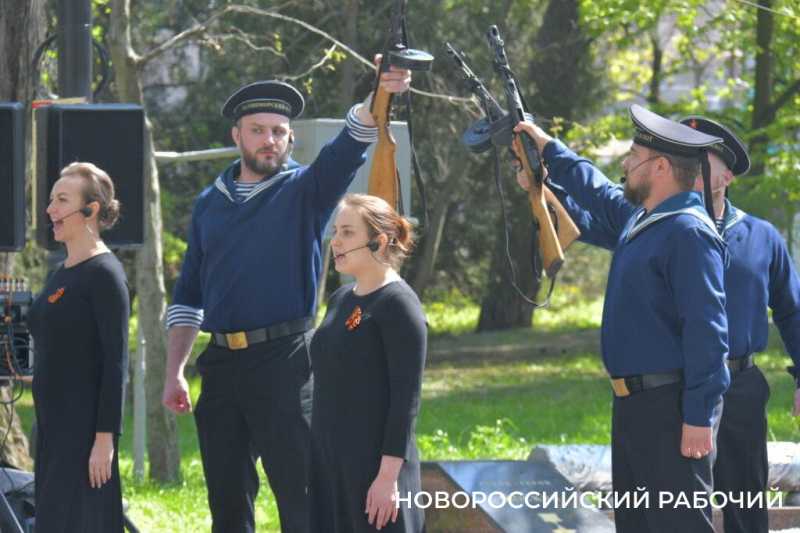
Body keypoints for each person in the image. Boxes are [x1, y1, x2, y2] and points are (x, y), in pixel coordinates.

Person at [162, 64, 412, 532]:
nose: (269, 140)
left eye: (278, 132)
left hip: (286, 364)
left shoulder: (305, 191)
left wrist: (377, 95)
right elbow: (188, 295)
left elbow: (347, 149)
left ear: (290, 139)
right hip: (220, 367)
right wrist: (175, 369)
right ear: (237, 135)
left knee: (302, 499)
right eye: (258, 130)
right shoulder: (209, 203)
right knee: (226, 504)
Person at [514, 105, 730, 531]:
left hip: (671, 409)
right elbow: (595, 196)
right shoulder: (645, 220)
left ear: (661, 167)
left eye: (634, 157)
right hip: (635, 406)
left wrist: (698, 415)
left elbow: (707, 332)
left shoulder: (688, 231)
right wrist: (544, 174)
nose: (627, 165)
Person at [681, 116, 800, 533]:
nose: (690, 168)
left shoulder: (761, 236)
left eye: (701, 161)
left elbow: (792, 311)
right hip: (677, 386)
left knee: (746, 505)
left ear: (727, 176)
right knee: (677, 505)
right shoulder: (660, 230)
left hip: (741, 388)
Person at [310, 194, 426, 533]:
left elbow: (406, 402)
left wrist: (387, 479)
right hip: (330, 468)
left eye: (347, 232)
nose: (336, 241)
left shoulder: (399, 305)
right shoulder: (340, 299)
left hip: (375, 473)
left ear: (380, 241)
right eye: (335, 231)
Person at [27, 162, 129, 532]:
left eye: (62, 200)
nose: (50, 210)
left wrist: (104, 440)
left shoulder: (105, 274)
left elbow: (115, 363)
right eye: (51, 200)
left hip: (83, 434)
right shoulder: (63, 270)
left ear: (91, 209)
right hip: (52, 429)